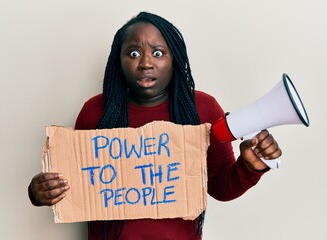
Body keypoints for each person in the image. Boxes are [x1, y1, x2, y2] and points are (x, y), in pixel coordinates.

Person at [28, 12, 282, 240]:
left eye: (158, 53)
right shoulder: (96, 112)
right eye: (134, 53)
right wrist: (39, 192)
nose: (146, 63)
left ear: (175, 59)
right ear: (119, 61)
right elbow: (75, 186)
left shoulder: (202, 109)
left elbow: (220, 188)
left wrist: (250, 166)